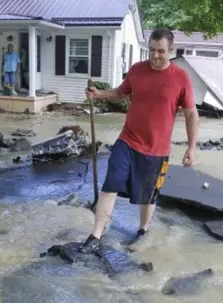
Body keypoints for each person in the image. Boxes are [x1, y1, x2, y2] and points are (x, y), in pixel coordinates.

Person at [81, 28, 199, 252]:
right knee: (111, 183)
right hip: (128, 140)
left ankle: (142, 230)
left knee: (148, 196)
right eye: (152, 51)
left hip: (157, 149)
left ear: (171, 51)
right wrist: (98, 94)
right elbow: (120, 92)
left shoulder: (181, 77)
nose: (155, 56)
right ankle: (95, 235)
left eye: (161, 51)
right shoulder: (137, 70)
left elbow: (191, 113)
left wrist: (191, 148)